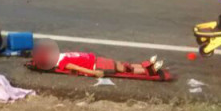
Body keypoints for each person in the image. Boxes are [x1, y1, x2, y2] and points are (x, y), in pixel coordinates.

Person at [28, 39, 166, 79]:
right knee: (122, 69)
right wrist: (94, 73)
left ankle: (145, 65)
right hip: (94, 67)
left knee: (120, 64)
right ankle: (149, 71)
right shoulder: (62, 62)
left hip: (95, 60)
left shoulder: (61, 55)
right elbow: (77, 68)